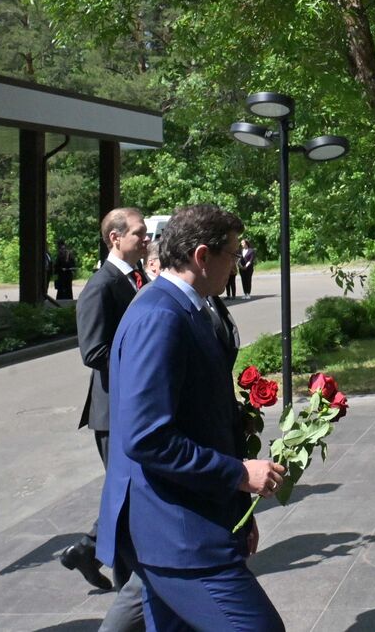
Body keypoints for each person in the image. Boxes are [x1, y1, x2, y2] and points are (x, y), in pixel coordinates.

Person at [96, 204, 286, 631]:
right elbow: (148, 438)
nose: (237, 263)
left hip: (190, 522)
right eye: (233, 254)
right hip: (176, 534)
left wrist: (241, 507)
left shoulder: (187, 307)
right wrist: (238, 473)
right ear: (203, 256)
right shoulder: (161, 315)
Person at [61, 208, 148, 592]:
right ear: (115, 238)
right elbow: (93, 352)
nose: (146, 240)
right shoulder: (101, 285)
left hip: (134, 406)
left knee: (128, 491)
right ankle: (129, 583)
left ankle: (89, 551)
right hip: (113, 411)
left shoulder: (136, 278)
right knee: (126, 493)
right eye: (139, 234)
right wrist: (147, 356)